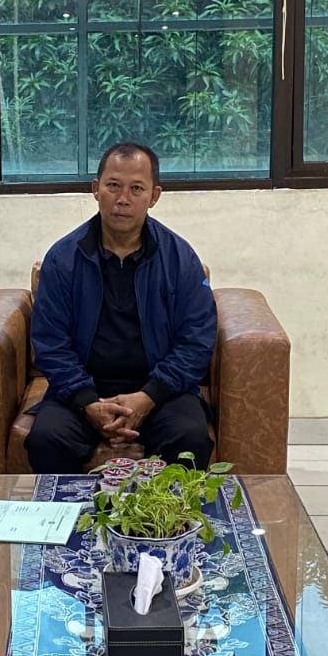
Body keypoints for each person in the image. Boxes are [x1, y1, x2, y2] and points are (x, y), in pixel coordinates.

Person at [24, 141, 218, 472]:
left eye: (136, 189)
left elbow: (196, 340)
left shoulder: (180, 259)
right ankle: (67, 510)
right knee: (47, 437)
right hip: (81, 393)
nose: (123, 198)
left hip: (161, 393)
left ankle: (168, 511)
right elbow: (50, 342)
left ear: (154, 196)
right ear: (95, 189)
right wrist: (88, 403)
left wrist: (148, 397)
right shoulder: (63, 259)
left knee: (190, 436)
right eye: (113, 185)